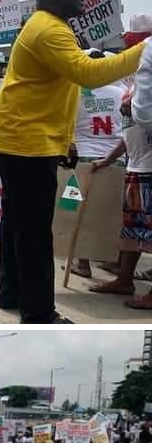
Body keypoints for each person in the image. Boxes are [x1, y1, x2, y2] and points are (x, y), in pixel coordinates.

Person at [0, 0, 146, 324]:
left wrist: (66, 138)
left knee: (16, 221)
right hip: (26, 142)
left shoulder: (45, 27)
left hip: (21, 137)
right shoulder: (50, 30)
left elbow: (58, 90)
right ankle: (38, 313)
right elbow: (87, 72)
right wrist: (145, 50)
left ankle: (9, 292)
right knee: (34, 230)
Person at [90, 39, 152, 308]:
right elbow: (129, 136)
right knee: (132, 232)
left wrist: (137, 111)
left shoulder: (143, 98)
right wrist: (107, 160)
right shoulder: (133, 90)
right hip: (135, 169)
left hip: (149, 171)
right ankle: (124, 279)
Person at [68, 49, 125, 279]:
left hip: (85, 159)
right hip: (117, 159)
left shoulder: (75, 92)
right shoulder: (121, 92)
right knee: (113, 213)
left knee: (72, 208)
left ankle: (82, 263)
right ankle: (114, 259)